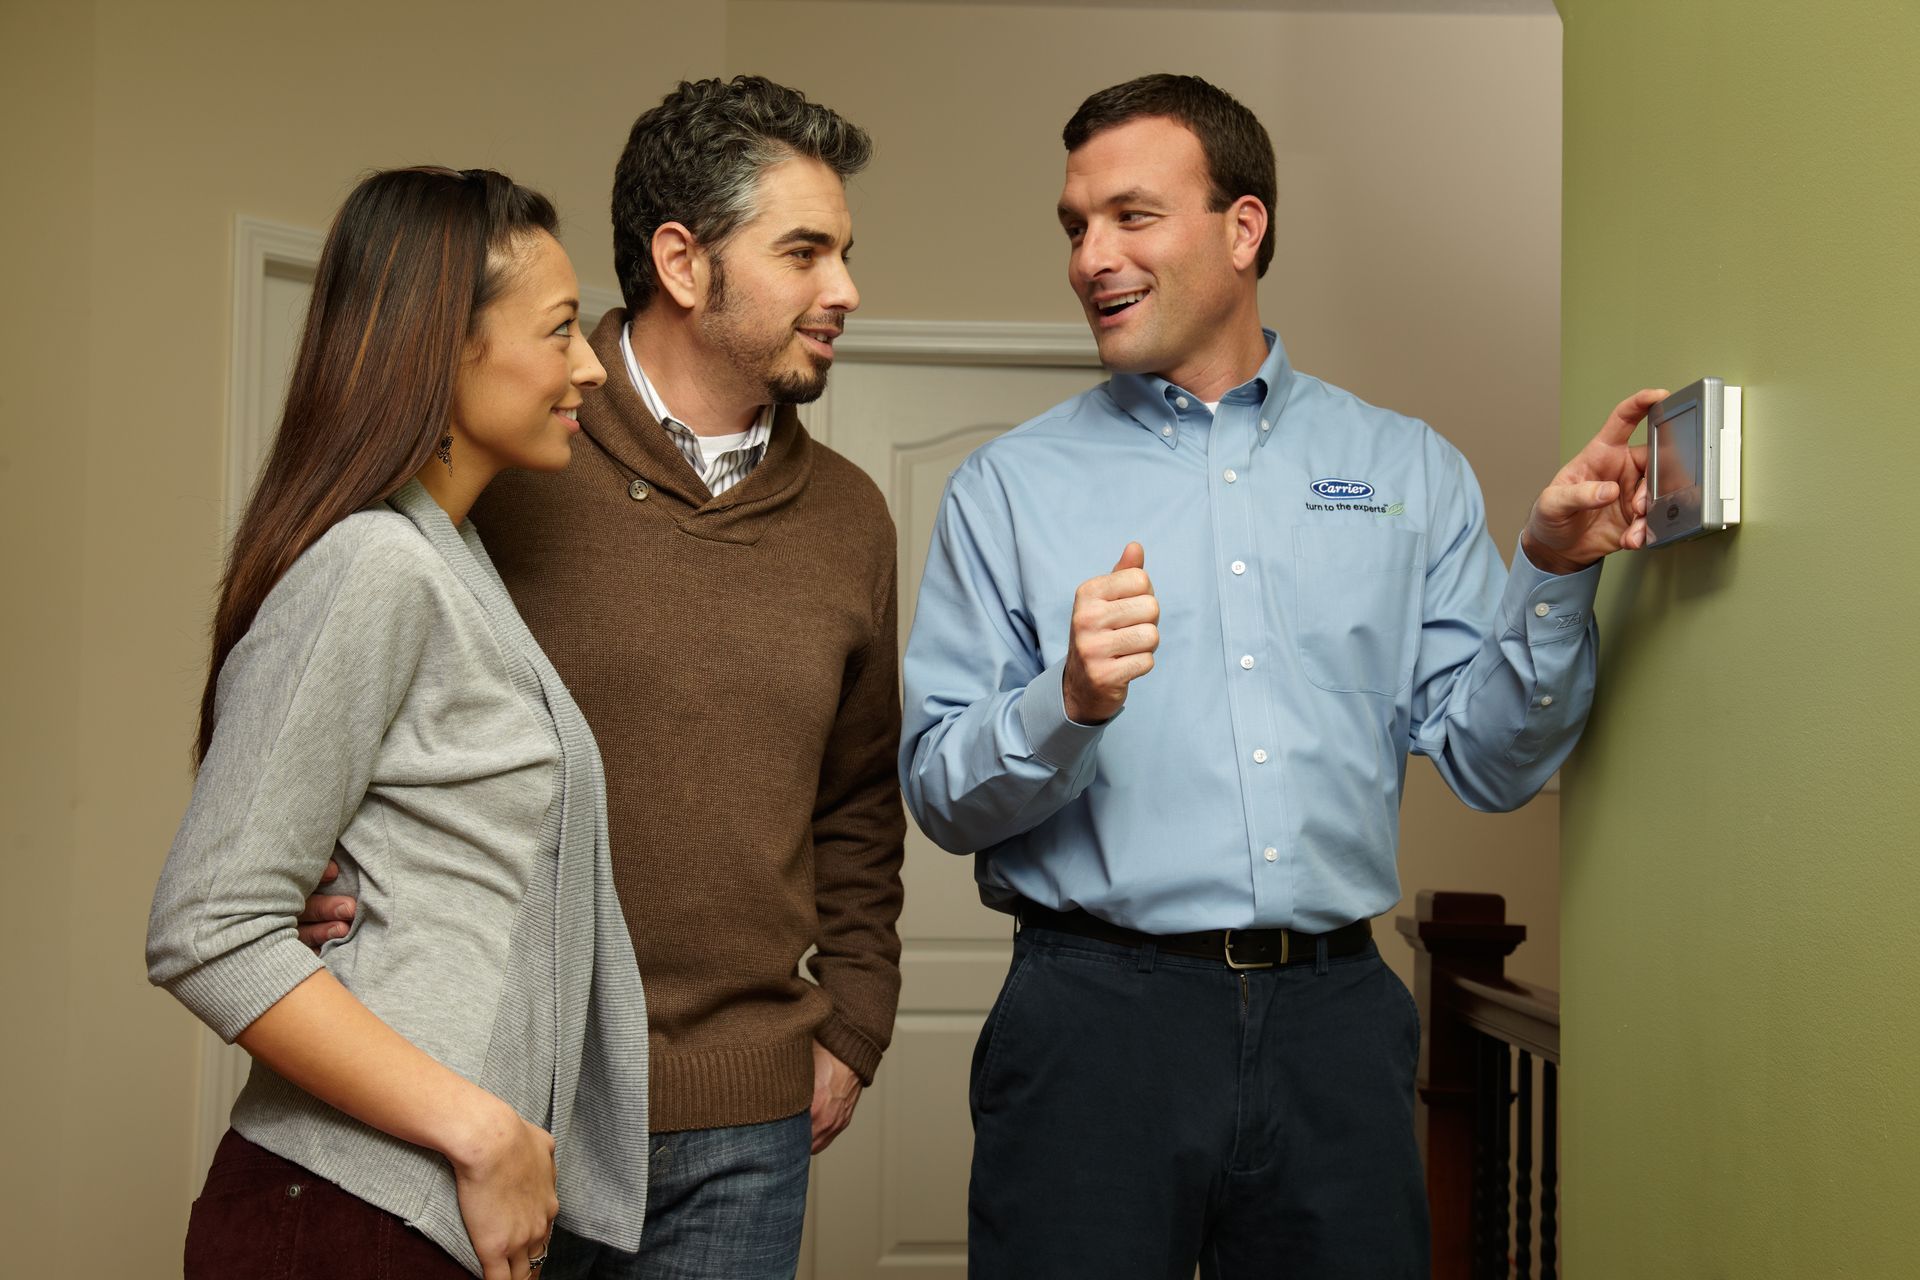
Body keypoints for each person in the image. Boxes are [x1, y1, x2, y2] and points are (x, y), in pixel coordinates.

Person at [899, 73, 1660, 1280]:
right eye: (1076, 226)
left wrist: (1554, 572)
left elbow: (1494, 761)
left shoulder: (1406, 468)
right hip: (1093, 1025)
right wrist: (1067, 703)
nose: (1091, 257)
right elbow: (941, 792)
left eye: (1132, 216)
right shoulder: (1005, 489)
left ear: (1243, 228)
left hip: (1335, 1025)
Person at [301, 77, 906, 1280]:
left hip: (743, 1123)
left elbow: (858, 800)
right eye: (805, 252)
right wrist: (311, 862)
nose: (845, 289)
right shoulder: (507, 448)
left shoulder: (852, 519)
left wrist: (855, 1016)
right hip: (503, 1094)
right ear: (682, 261)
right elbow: (327, 660)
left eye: (844, 253)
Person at [147, 168, 646, 1280]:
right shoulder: (377, 563)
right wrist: (481, 1130)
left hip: (406, 1212)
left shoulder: (448, 560)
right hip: (348, 1209)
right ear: (449, 348)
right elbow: (207, 925)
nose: (590, 365)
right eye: (560, 328)